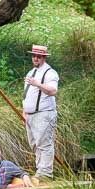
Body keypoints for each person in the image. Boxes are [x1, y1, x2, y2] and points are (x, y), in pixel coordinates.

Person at [22, 44, 59, 179]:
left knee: (44, 143)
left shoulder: (50, 73)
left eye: (39, 56)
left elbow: (53, 91)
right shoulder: (31, 72)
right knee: (34, 144)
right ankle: (40, 171)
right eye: (34, 56)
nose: (36, 58)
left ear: (44, 58)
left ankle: (45, 173)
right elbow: (27, 94)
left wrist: (38, 84)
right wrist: (24, 111)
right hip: (30, 114)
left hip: (44, 113)